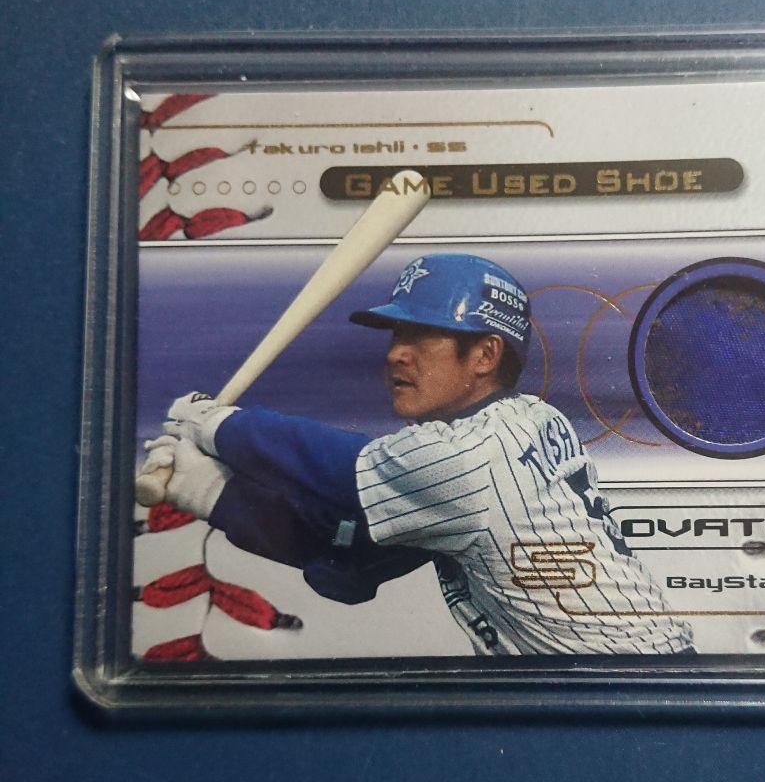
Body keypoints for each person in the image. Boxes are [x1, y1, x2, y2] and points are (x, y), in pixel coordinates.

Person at [143, 253, 693, 656]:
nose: (395, 355)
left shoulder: (479, 452)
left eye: (422, 335)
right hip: (617, 681)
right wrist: (205, 489)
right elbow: (349, 563)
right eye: (395, 336)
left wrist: (215, 422)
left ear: (485, 354)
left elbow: (341, 471)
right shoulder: (528, 422)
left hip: (628, 688)